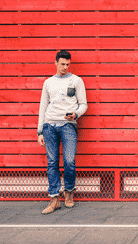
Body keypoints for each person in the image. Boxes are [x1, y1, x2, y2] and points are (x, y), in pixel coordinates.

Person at [37, 50, 88, 214]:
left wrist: (76, 114)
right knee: (51, 162)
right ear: (56, 63)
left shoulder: (76, 81)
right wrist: (40, 131)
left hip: (68, 125)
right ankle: (54, 199)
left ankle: (69, 192)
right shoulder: (48, 83)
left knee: (69, 160)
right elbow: (43, 107)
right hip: (49, 125)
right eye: (62, 64)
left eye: (68, 64)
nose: (65, 67)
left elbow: (83, 104)